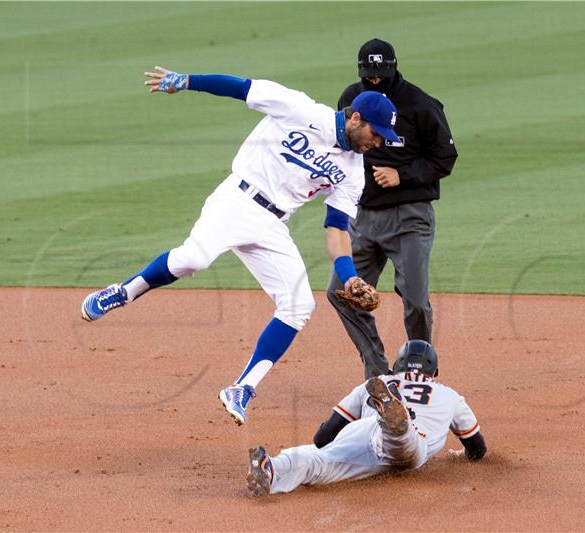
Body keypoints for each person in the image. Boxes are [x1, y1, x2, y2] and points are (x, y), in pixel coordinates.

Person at [80, 66, 399, 426]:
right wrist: (186, 81)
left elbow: (337, 228)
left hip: (272, 224)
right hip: (237, 200)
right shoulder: (300, 109)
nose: (379, 141)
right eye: (376, 132)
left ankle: (242, 387)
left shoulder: (353, 171)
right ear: (355, 117)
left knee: (298, 305)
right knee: (194, 258)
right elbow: (241, 88)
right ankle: (124, 291)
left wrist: (350, 277)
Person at [327, 39, 459, 379]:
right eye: (368, 75)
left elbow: (445, 157)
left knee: (414, 299)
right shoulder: (350, 100)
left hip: (409, 216)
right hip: (364, 217)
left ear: (393, 68)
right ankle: (378, 373)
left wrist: (403, 175)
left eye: (380, 74)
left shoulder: (420, 105)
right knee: (341, 293)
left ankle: (421, 374)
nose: (374, 81)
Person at [245, 340, 486, 496]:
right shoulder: (450, 396)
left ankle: (271, 468)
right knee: (406, 446)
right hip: (410, 439)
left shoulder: (374, 383)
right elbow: (477, 447)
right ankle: (396, 422)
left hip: (365, 431)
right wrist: (463, 455)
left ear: (396, 367)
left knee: (320, 458)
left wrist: (341, 446)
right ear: (434, 373)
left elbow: (323, 437)